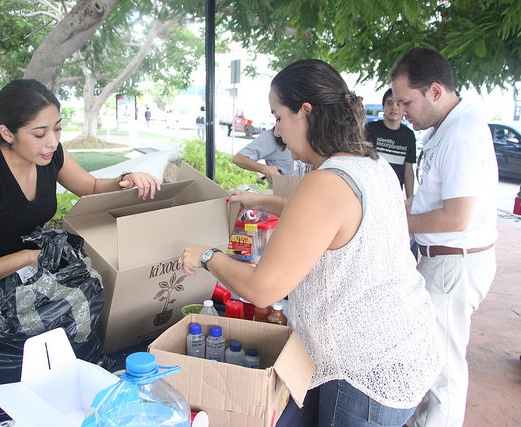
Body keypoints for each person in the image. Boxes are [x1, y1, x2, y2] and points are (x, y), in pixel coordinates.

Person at [179, 59, 440, 426]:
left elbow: (263, 288)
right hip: (405, 345)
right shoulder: (372, 164)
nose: (278, 131)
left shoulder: (325, 182)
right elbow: (331, 222)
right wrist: (261, 199)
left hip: (363, 372)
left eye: (279, 116)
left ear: (305, 112)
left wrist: (207, 256)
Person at [0, 79, 161, 334]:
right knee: (6, 373)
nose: (52, 142)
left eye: (58, 129)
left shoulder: (50, 156)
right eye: (39, 134)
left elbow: (92, 186)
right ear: (8, 133)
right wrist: (26, 257)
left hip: (28, 282)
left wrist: (125, 180)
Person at [390, 47, 498, 427]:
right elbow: (433, 200)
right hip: (441, 258)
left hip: (455, 261)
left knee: (444, 369)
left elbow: (456, 215)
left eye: (406, 101)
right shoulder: (447, 127)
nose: (401, 111)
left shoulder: (461, 135)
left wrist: (398, 225)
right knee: (430, 358)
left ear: (435, 91)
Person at [365, 88, 417, 199]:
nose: (394, 107)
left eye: (398, 104)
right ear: (383, 107)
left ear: (404, 109)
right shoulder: (370, 129)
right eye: (389, 103)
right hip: (371, 190)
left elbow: (408, 169)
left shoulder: (409, 135)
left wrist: (410, 198)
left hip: (394, 193)